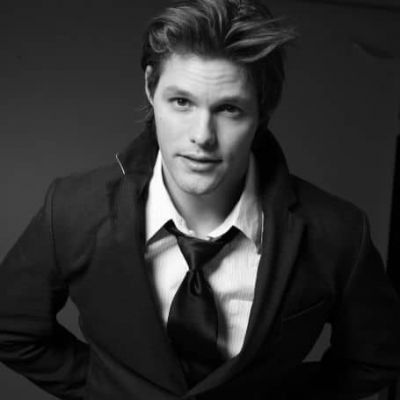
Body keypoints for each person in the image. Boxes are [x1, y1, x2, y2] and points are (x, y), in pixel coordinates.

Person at [1, 0, 400, 399]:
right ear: (150, 87)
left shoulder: (338, 233)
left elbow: (376, 359)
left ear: (263, 110)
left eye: (229, 109)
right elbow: (10, 328)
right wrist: (106, 389)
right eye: (182, 102)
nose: (202, 136)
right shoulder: (72, 209)